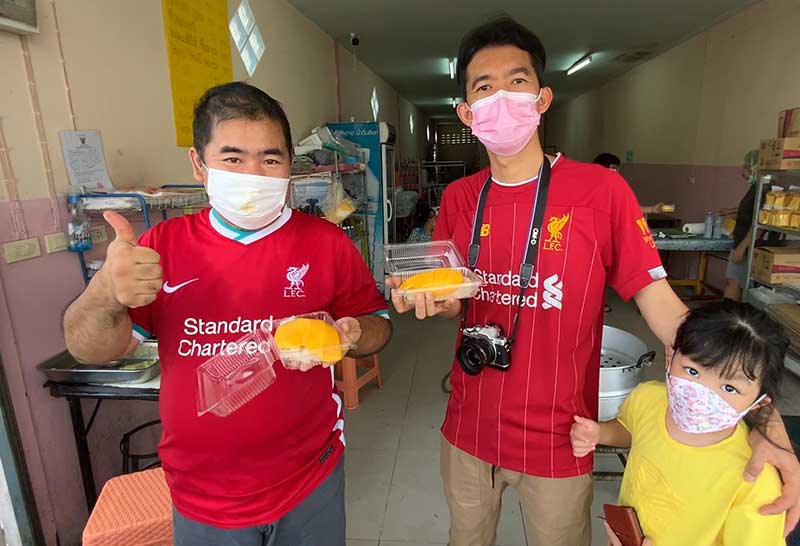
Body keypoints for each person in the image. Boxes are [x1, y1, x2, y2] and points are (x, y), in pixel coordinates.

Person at [386, 17, 800, 546]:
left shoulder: (600, 191)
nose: (502, 98)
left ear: (542, 99)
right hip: (469, 427)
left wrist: (767, 424)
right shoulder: (460, 198)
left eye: (517, 81)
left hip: (562, 436)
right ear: (467, 112)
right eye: (483, 88)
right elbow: (452, 302)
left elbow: (669, 314)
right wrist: (431, 300)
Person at [63, 82, 392, 546]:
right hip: (202, 492)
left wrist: (352, 335)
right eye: (233, 159)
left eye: (270, 160)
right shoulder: (161, 247)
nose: (254, 174)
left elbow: (379, 326)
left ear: (290, 167)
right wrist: (105, 292)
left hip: (309, 478)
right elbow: (91, 350)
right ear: (199, 164)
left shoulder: (327, 243)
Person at [572, 301, 789, 545]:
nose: (701, 395)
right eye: (692, 371)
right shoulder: (648, 399)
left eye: (729, 388)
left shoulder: (756, 482)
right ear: (670, 356)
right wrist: (599, 433)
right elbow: (631, 428)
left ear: (759, 402)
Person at [724, 150, 763, 301]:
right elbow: (750, 210)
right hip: (742, 242)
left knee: (735, 282)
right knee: (732, 280)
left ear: (754, 167)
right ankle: (729, 312)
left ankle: (730, 312)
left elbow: (759, 223)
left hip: (748, 245)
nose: (743, 171)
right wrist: (734, 211)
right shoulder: (755, 187)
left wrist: (742, 248)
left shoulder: (763, 188)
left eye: (746, 167)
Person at [593, 152, 667, 214]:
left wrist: (652, 209)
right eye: (615, 169)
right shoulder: (599, 188)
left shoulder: (612, 187)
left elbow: (626, 207)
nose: (618, 173)